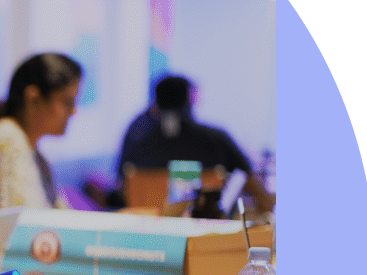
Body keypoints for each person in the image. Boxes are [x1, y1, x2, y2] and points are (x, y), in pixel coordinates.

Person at [116, 74, 273, 213]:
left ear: (155, 103)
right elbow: (251, 182)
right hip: (203, 233)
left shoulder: (136, 139)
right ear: (190, 101)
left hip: (146, 233)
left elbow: (121, 186)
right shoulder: (215, 139)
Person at [0, 53, 83, 209]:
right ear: (33, 99)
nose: (73, 111)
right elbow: (28, 224)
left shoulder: (35, 155)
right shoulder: (6, 139)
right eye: (67, 102)